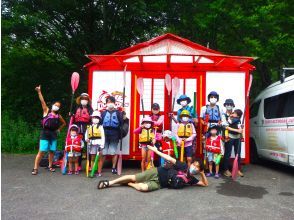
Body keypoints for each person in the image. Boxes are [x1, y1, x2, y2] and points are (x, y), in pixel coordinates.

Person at [97, 145, 208, 192]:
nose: (195, 167)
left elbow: (205, 184)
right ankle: (109, 183)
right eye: (194, 164)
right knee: (133, 177)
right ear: (191, 163)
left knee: (143, 188)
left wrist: (202, 173)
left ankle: (128, 184)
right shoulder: (183, 165)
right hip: (157, 172)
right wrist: (156, 151)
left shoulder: (192, 179)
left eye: (197, 168)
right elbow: (168, 157)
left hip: (160, 184)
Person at [32, 85, 66, 175]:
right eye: (55, 105)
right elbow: (42, 101)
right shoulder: (46, 110)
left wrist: (59, 129)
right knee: (42, 151)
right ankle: (35, 168)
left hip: (53, 134)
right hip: (45, 133)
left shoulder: (59, 116)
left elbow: (64, 123)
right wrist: (39, 92)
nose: (56, 107)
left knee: (52, 151)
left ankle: (50, 166)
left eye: (58, 106)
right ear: (52, 105)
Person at [100, 96, 123, 174]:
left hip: (114, 133)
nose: (110, 104)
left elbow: (122, 123)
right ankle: (100, 167)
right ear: (106, 103)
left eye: (111, 102)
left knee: (113, 152)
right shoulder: (103, 113)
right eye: (108, 102)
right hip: (104, 133)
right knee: (103, 152)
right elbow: (99, 124)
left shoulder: (118, 113)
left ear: (114, 103)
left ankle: (113, 167)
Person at [72, 93, 93, 171]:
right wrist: (70, 115)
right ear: (80, 100)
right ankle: (79, 165)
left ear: (88, 100)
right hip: (78, 129)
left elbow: (92, 120)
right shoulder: (76, 108)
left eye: (86, 99)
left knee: (88, 148)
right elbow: (72, 119)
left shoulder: (90, 109)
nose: (84, 100)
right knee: (78, 148)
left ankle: (89, 165)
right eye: (82, 99)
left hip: (86, 129)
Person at [223, 109, 244, 177]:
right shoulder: (231, 118)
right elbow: (226, 127)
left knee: (238, 154)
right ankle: (226, 170)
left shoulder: (237, 119)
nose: (232, 114)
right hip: (230, 137)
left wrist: (240, 129)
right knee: (227, 154)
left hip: (237, 138)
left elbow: (238, 127)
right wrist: (237, 130)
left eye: (234, 113)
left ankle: (238, 170)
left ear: (237, 115)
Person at [85, 111, 105, 176]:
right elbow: (86, 135)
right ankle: (93, 170)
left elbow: (103, 136)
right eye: (94, 117)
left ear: (99, 119)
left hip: (99, 144)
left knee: (100, 158)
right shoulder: (89, 127)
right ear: (92, 118)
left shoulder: (100, 127)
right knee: (93, 158)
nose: (95, 119)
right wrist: (86, 139)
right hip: (91, 144)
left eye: (97, 118)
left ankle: (99, 172)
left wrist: (102, 145)